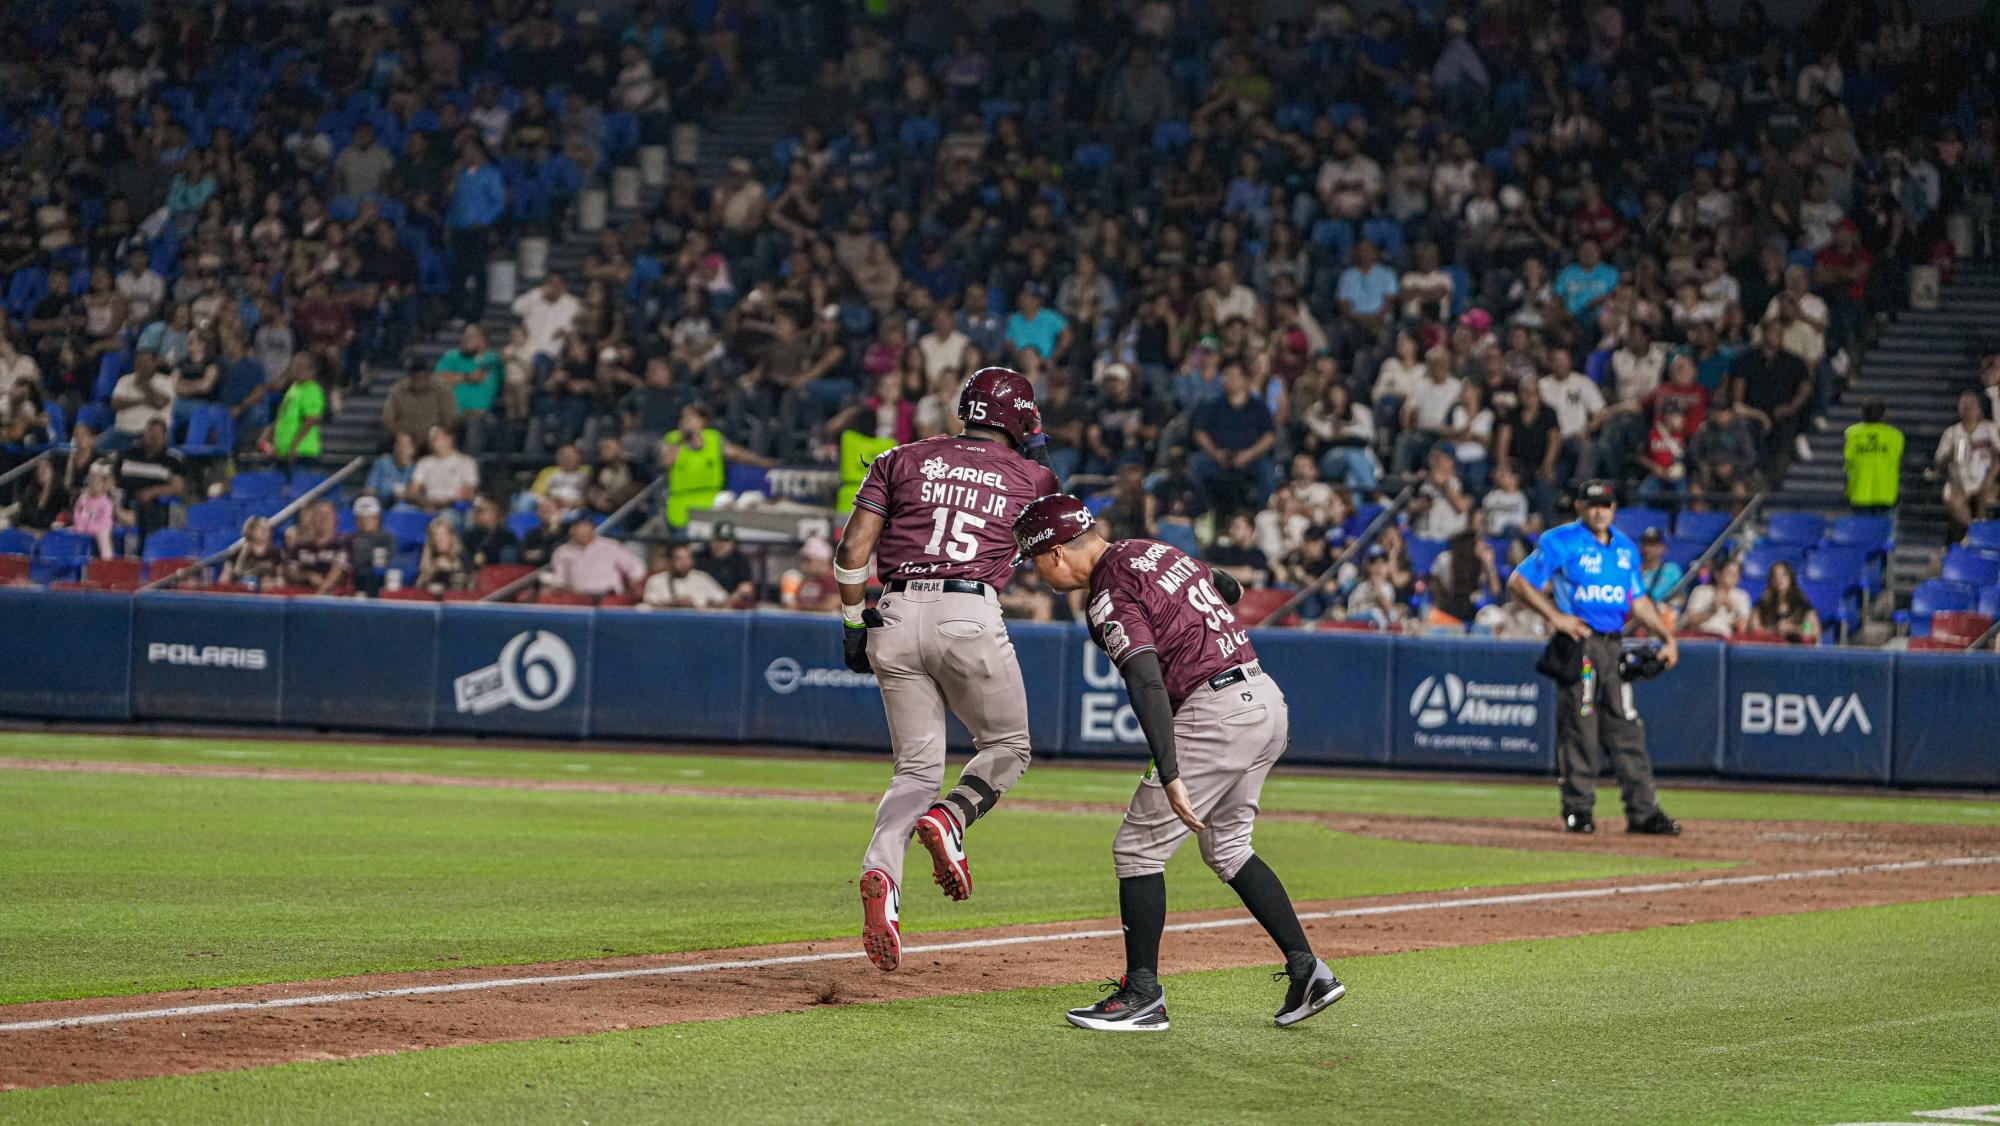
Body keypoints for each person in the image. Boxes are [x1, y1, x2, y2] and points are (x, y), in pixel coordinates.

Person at [1011, 492, 1346, 1031]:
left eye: (1035, 560)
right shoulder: (1152, 551)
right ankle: (1310, 971)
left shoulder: (1107, 592)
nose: (1039, 572)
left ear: (1054, 554)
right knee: (1230, 848)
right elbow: (1229, 588)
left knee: (1138, 847)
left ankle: (1143, 994)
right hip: (1264, 697)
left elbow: (1144, 678)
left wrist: (1169, 772)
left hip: (1215, 709)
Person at [838, 367, 1058, 972]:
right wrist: (1037, 450)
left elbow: (853, 551)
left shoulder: (901, 457)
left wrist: (854, 625)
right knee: (1009, 746)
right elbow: (1059, 536)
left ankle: (882, 874)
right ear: (1021, 419)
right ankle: (952, 818)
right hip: (968, 610)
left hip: (895, 609)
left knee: (913, 772)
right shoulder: (1034, 474)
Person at [1506, 480, 1682, 836]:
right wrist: (1554, 616)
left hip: (1614, 645)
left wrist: (1667, 637)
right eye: (1592, 505)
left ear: (1614, 509)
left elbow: (1638, 599)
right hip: (1581, 643)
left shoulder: (1625, 549)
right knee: (1580, 727)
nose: (1599, 511)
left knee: (1626, 729)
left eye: (1605, 504)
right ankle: (1579, 809)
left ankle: (1643, 811)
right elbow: (1519, 581)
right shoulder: (1561, 541)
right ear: (1580, 507)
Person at [660, 403, 772, 527]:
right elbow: (665, 462)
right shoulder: (672, 438)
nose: (685, 421)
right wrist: (681, 441)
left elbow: (738, 454)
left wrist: (764, 462)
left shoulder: (713, 438)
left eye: (690, 417)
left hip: (711, 498)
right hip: (681, 501)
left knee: (729, 500)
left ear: (702, 421)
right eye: (683, 417)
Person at [1189, 362, 1278, 517]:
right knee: (1195, 464)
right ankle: (1204, 514)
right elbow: (1199, 432)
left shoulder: (1258, 406)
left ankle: (1261, 516)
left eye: (1235, 376)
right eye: (1226, 376)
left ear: (1245, 380)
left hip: (1250, 460)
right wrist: (1216, 453)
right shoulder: (1214, 405)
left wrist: (1249, 454)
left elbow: (1269, 436)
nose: (1230, 380)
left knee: (1268, 471)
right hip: (1219, 459)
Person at [1935, 391, 1999, 540]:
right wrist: (1949, 455)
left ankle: (1979, 534)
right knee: (1951, 497)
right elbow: (1938, 462)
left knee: (1988, 498)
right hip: (1959, 481)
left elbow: (1998, 456)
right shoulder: (1951, 433)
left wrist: (1990, 479)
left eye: (1972, 405)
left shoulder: (1989, 429)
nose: (1968, 409)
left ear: (1979, 409)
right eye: (1964, 406)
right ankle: (1975, 533)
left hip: (1984, 479)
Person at [543, 516, 644, 597]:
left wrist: (632, 582)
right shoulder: (562, 551)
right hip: (578, 598)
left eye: (584, 527)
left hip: (608, 597)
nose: (579, 532)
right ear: (571, 531)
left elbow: (636, 566)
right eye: (576, 528)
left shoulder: (610, 546)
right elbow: (559, 580)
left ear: (593, 529)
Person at [1429, 529, 1500, 623]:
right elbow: (1435, 588)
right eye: (1480, 542)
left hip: (1471, 609)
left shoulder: (1481, 563)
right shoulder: (1445, 559)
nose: (1484, 545)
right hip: (1447, 607)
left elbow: (1496, 592)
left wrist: (1490, 565)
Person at [1843, 400, 1903, 512]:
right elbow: (1898, 462)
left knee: (1862, 528)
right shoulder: (1896, 435)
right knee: (1883, 529)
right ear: (1884, 414)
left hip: (1859, 492)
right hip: (1886, 493)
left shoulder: (1852, 433)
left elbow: (1849, 461)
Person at [282, 500, 350, 595]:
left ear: (335, 519)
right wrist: (307, 576)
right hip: (301, 595)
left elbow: (336, 572)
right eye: (319, 514)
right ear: (312, 519)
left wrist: (318, 594)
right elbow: (291, 571)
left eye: (328, 514)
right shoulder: (301, 546)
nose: (324, 518)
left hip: (333, 598)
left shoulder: (343, 544)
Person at [269, 352, 325, 463]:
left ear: (311, 371)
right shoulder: (294, 388)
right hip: (284, 450)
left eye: (300, 368)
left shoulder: (312, 390)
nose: (296, 371)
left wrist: (295, 445)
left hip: (302, 451)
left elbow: (310, 419)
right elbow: (283, 415)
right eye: (294, 366)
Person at [409, 426, 480, 512]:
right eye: (431, 439)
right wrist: (423, 502)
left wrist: (448, 501)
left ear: (449, 439)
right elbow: (413, 489)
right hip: (427, 505)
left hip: (454, 507)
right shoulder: (424, 462)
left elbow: (470, 491)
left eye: (437, 438)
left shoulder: (466, 462)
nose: (434, 443)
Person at [641, 542, 731, 609]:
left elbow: (724, 600)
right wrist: (675, 604)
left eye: (688, 558)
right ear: (669, 561)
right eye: (680, 559)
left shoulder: (701, 578)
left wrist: (710, 605)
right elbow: (650, 605)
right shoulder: (656, 581)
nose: (685, 563)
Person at [1682, 557, 1754, 638]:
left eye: (1737, 574)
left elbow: (1743, 627)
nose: (1734, 578)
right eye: (1730, 573)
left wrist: (1731, 609)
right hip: (1701, 637)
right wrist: (1712, 611)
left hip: (1726, 639)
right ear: (1717, 574)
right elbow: (1691, 621)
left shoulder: (1742, 596)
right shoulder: (1701, 591)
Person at [1753, 559, 1821, 643]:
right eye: (1775, 576)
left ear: (1790, 578)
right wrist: (1774, 629)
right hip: (1769, 650)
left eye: (1784, 575)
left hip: (1796, 650)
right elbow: (1754, 630)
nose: (1779, 579)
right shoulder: (1762, 605)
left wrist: (1793, 629)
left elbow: (1810, 629)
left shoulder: (1802, 606)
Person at [697, 521, 757, 607]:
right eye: (718, 540)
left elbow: (746, 588)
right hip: (702, 605)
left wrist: (725, 603)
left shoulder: (739, 559)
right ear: (711, 539)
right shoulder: (700, 557)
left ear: (733, 542)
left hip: (730, 606)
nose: (721, 544)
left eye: (726, 541)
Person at [345, 496, 398, 596]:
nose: (366, 521)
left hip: (377, 580)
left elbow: (383, 561)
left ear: (377, 517)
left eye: (370, 517)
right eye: (362, 517)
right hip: (355, 578)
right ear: (356, 519)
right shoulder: (350, 538)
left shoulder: (385, 537)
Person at [780, 536, 843, 611]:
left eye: (809, 561)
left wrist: (798, 606)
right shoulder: (807, 580)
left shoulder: (834, 579)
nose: (804, 565)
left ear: (822, 561)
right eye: (803, 560)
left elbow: (829, 606)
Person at [220, 515, 285, 588]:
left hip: (267, 592)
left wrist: (273, 583)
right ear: (251, 530)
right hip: (242, 591)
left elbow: (281, 578)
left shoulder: (276, 552)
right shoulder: (238, 550)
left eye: (267, 528)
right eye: (260, 528)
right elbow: (225, 577)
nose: (264, 530)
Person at [70, 463, 118, 559]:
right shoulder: (83, 498)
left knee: (103, 538)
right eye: (92, 481)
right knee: (65, 532)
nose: (94, 484)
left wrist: (90, 528)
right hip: (82, 527)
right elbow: (78, 513)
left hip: (101, 528)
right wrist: (80, 527)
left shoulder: (106, 502)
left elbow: (103, 520)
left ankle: (106, 561)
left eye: (98, 482)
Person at [416, 517, 471, 594]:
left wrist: (452, 568)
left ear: (451, 537)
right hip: (431, 600)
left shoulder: (461, 554)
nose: (439, 539)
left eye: (443, 535)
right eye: (434, 535)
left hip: (456, 599)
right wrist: (433, 569)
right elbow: (418, 585)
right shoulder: (428, 554)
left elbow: (470, 584)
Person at [462, 495, 519, 570]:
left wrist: (486, 556)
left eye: (489, 510)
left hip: (500, 572)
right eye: (481, 510)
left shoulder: (507, 535)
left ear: (497, 512)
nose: (485, 514)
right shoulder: (469, 535)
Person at [1636, 527, 1683, 603]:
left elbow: (1681, 595)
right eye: (1645, 544)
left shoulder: (1672, 570)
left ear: (1663, 548)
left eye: (1653, 545)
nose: (1648, 549)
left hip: (1664, 610)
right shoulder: (1633, 570)